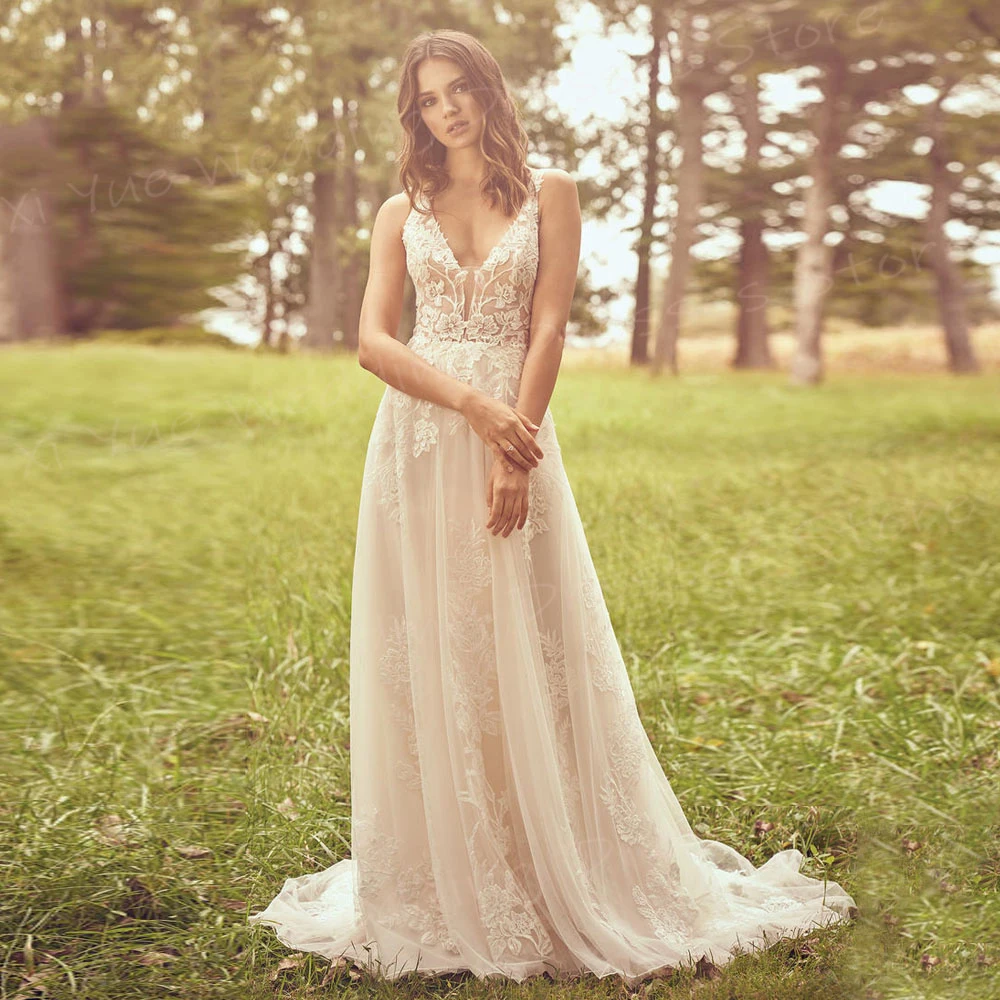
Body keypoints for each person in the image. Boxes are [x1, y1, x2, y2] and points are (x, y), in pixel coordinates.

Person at [248, 28, 857, 985]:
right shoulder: (396, 212)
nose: (446, 109)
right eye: (429, 98)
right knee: (434, 650)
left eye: (459, 90)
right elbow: (371, 342)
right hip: (418, 444)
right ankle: (450, 867)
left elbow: (550, 323)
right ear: (416, 112)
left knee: (524, 644)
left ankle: (550, 861)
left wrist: (514, 447)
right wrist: (471, 406)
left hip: (516, 441)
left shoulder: (550, 194)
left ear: (489, 92)